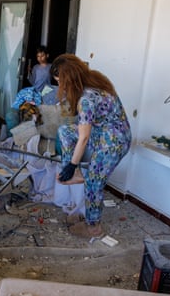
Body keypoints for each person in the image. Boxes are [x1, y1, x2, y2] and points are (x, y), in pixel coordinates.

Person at [50, 54, 131, 238]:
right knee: (65, 131)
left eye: (61, 83)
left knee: (94, 183)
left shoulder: (85, 100)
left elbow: (84, 137)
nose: (60, 88)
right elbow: (82, 131)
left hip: (114, 142)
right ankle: (76, 173)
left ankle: (93, 227)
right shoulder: (94, 78)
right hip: (102, 132)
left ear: (70, 79)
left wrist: (72, 164)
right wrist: (71, 166)